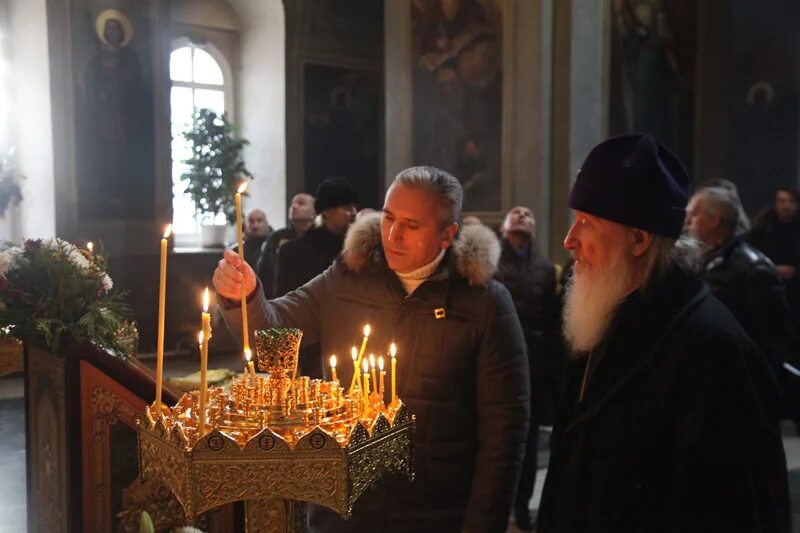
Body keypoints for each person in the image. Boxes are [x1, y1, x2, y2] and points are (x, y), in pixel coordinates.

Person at [213, 166, 529, 532]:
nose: (393, 235)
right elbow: (273, 334)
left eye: (412, 225)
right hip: (345, 510)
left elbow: (504, 432)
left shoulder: (485, 303)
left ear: (447, 235)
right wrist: (245, 297)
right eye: (389, 218)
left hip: (435, 513)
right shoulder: (348, 276)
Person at [537, 134, 790, 533]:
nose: (570, 240)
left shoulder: (710, 349)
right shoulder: (602, 313)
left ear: (639, 239)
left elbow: (729, 510)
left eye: (587, 222)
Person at [495, 206, 562, 531]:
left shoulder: (545, 269)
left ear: (534, 228)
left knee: (529, 441)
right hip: (496, 364)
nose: (522, 213)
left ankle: (522, 506)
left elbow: (550, 324)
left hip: (532, 369)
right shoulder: (491, 261)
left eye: (528, 213)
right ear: (503, 226)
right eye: (515, 211)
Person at [685, 187, 795, 377]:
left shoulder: (753, 270)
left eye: (694, 214)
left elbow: (770, 342)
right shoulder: (700, 260)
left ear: (713, 221)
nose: (688, 222)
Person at [749, 188, 800, 326]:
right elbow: (750, 257)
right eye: (782, 201)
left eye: (791, 201)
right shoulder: (761, 230)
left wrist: (795, 272)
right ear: (775, 204)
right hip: (767, 290)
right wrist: (771, 270)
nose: (787, 205)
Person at [257, 193, 316, 297]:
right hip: (280, 298)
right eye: (292, 204)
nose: (294, 206)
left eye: (301, 203)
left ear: (313, 213)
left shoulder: (319, 238)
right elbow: (264, 271)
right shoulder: (276, 237)